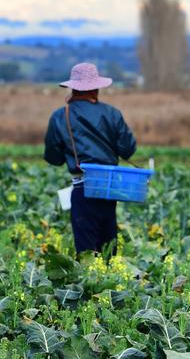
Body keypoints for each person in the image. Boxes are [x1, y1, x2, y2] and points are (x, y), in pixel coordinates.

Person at [44, 62, 136, 254]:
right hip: (109, 188)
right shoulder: (112, 113)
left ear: (72, 88)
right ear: (96, 88)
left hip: (83, 187)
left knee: (87, 250)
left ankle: (90, 282)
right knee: (108, 247)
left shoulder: (61, 116)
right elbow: (128, 149)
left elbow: (53, 158)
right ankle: (108, 281)